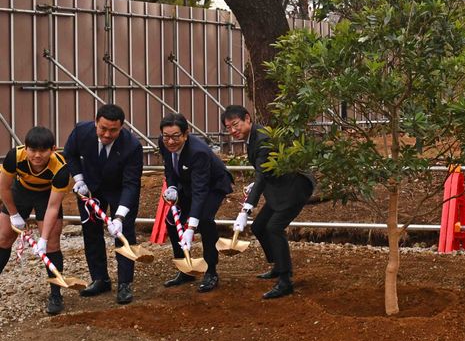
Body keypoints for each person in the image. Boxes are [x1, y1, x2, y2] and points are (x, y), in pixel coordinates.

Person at [222, 105, 315, 299]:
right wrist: (254, 184)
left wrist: (246, 208)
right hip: (278, 189)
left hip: (293, 188)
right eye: (228, 128)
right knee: (259, 227)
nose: (232, 131)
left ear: (247, 119)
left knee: (273, 228)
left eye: (235, 125)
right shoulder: (253, 137)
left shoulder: (262, 139)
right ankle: (278, 264)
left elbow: (263, 174)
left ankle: (285, 280)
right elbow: (264, 171)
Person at [63, 104, 143, 305]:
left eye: (113, 130)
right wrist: (79, 179)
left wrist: (120, 216)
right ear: (95, 122)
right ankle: (100, 278)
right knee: (91, 232)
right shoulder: (82, 131)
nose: (107, 134)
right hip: (90, 189)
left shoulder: (132, 146)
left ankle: (125, 283)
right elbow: (69, 153)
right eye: (103, 128)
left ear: (121, 127)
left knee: (123, 234)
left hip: (119, 191)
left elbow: (131, 184)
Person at [159, 112, 233, 293]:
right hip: (186, 184)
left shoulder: (198, 152)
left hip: (212, 185)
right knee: (171, 219)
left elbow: (200, 191)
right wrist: (173, 188)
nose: (170, 141)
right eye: (166, 136)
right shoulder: (164, 144)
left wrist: (191, 228)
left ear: (185, 134)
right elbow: (170, 169)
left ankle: (211, 270)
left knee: (205, 220)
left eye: (175, 136)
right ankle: (185, 268)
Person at [0, 127, 70, 315]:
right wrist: (14, 214)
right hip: (20, 191)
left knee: (52, 245)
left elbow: (53, 207)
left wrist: (44, 238)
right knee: (4, 238)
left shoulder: (61, 168)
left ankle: (56, 294)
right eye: (32, 150)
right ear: (26, 147)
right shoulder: (15, 156)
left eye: (43, 151)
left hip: (47, 196)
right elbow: (4, 188)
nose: (37, 155)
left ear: (52, 149)